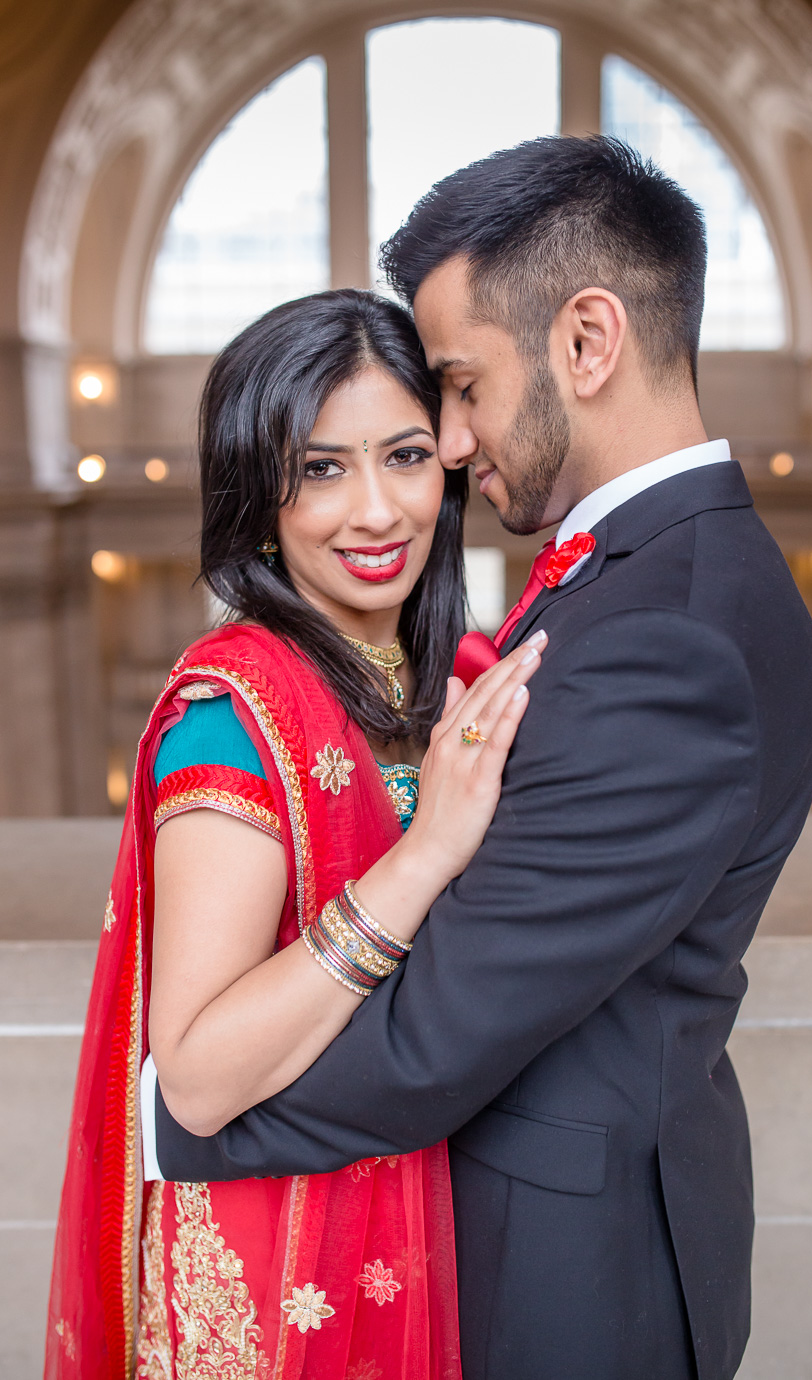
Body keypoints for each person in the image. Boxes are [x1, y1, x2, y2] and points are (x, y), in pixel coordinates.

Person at [154, 136, 812, 1380]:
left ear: (586, 341)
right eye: (323, 468)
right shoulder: (638, 583)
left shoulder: (664, 634)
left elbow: (448, 1022)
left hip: (563, 1273)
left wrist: (191, 1119)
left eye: (455, 391)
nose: (450, 446)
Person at [44, 289, 546, 1379]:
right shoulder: (234, 716)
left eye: (405, 455)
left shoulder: (445, 675)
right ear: (256, 495)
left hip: (413, 1230)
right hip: (273, 1283)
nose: (376, 510)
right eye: (321, 469)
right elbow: (203, 1078)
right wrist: (423, 858)